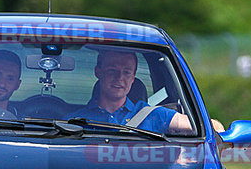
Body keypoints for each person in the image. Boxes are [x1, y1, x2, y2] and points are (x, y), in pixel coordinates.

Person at [72, 50, 225, 134]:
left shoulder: (154, 115)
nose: (120, 78)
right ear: (98, 72)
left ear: (133, 78)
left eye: (126, 72)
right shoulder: (71, 122)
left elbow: (208, 127)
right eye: (112, 71)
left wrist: (219, 130)